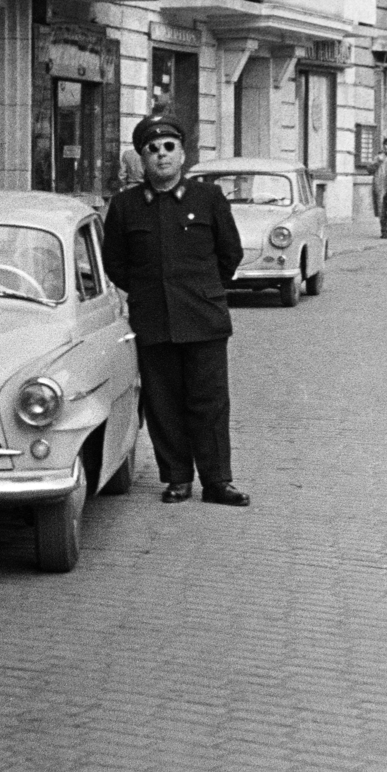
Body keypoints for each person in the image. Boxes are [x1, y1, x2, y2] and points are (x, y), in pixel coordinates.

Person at [101, 113, 249, 507]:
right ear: (142, 159)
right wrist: (150, 293)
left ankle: (217, 481)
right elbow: (115, 263)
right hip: (154, 320)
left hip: (203, 319)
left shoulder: (208, 199)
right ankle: (178, 479)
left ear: (182, 154)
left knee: (210, 402)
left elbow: (229, 253)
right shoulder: (125, 206)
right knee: (163, 403)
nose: (161, 155)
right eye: (152, 149)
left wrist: (201, 290)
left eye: (169, 147)